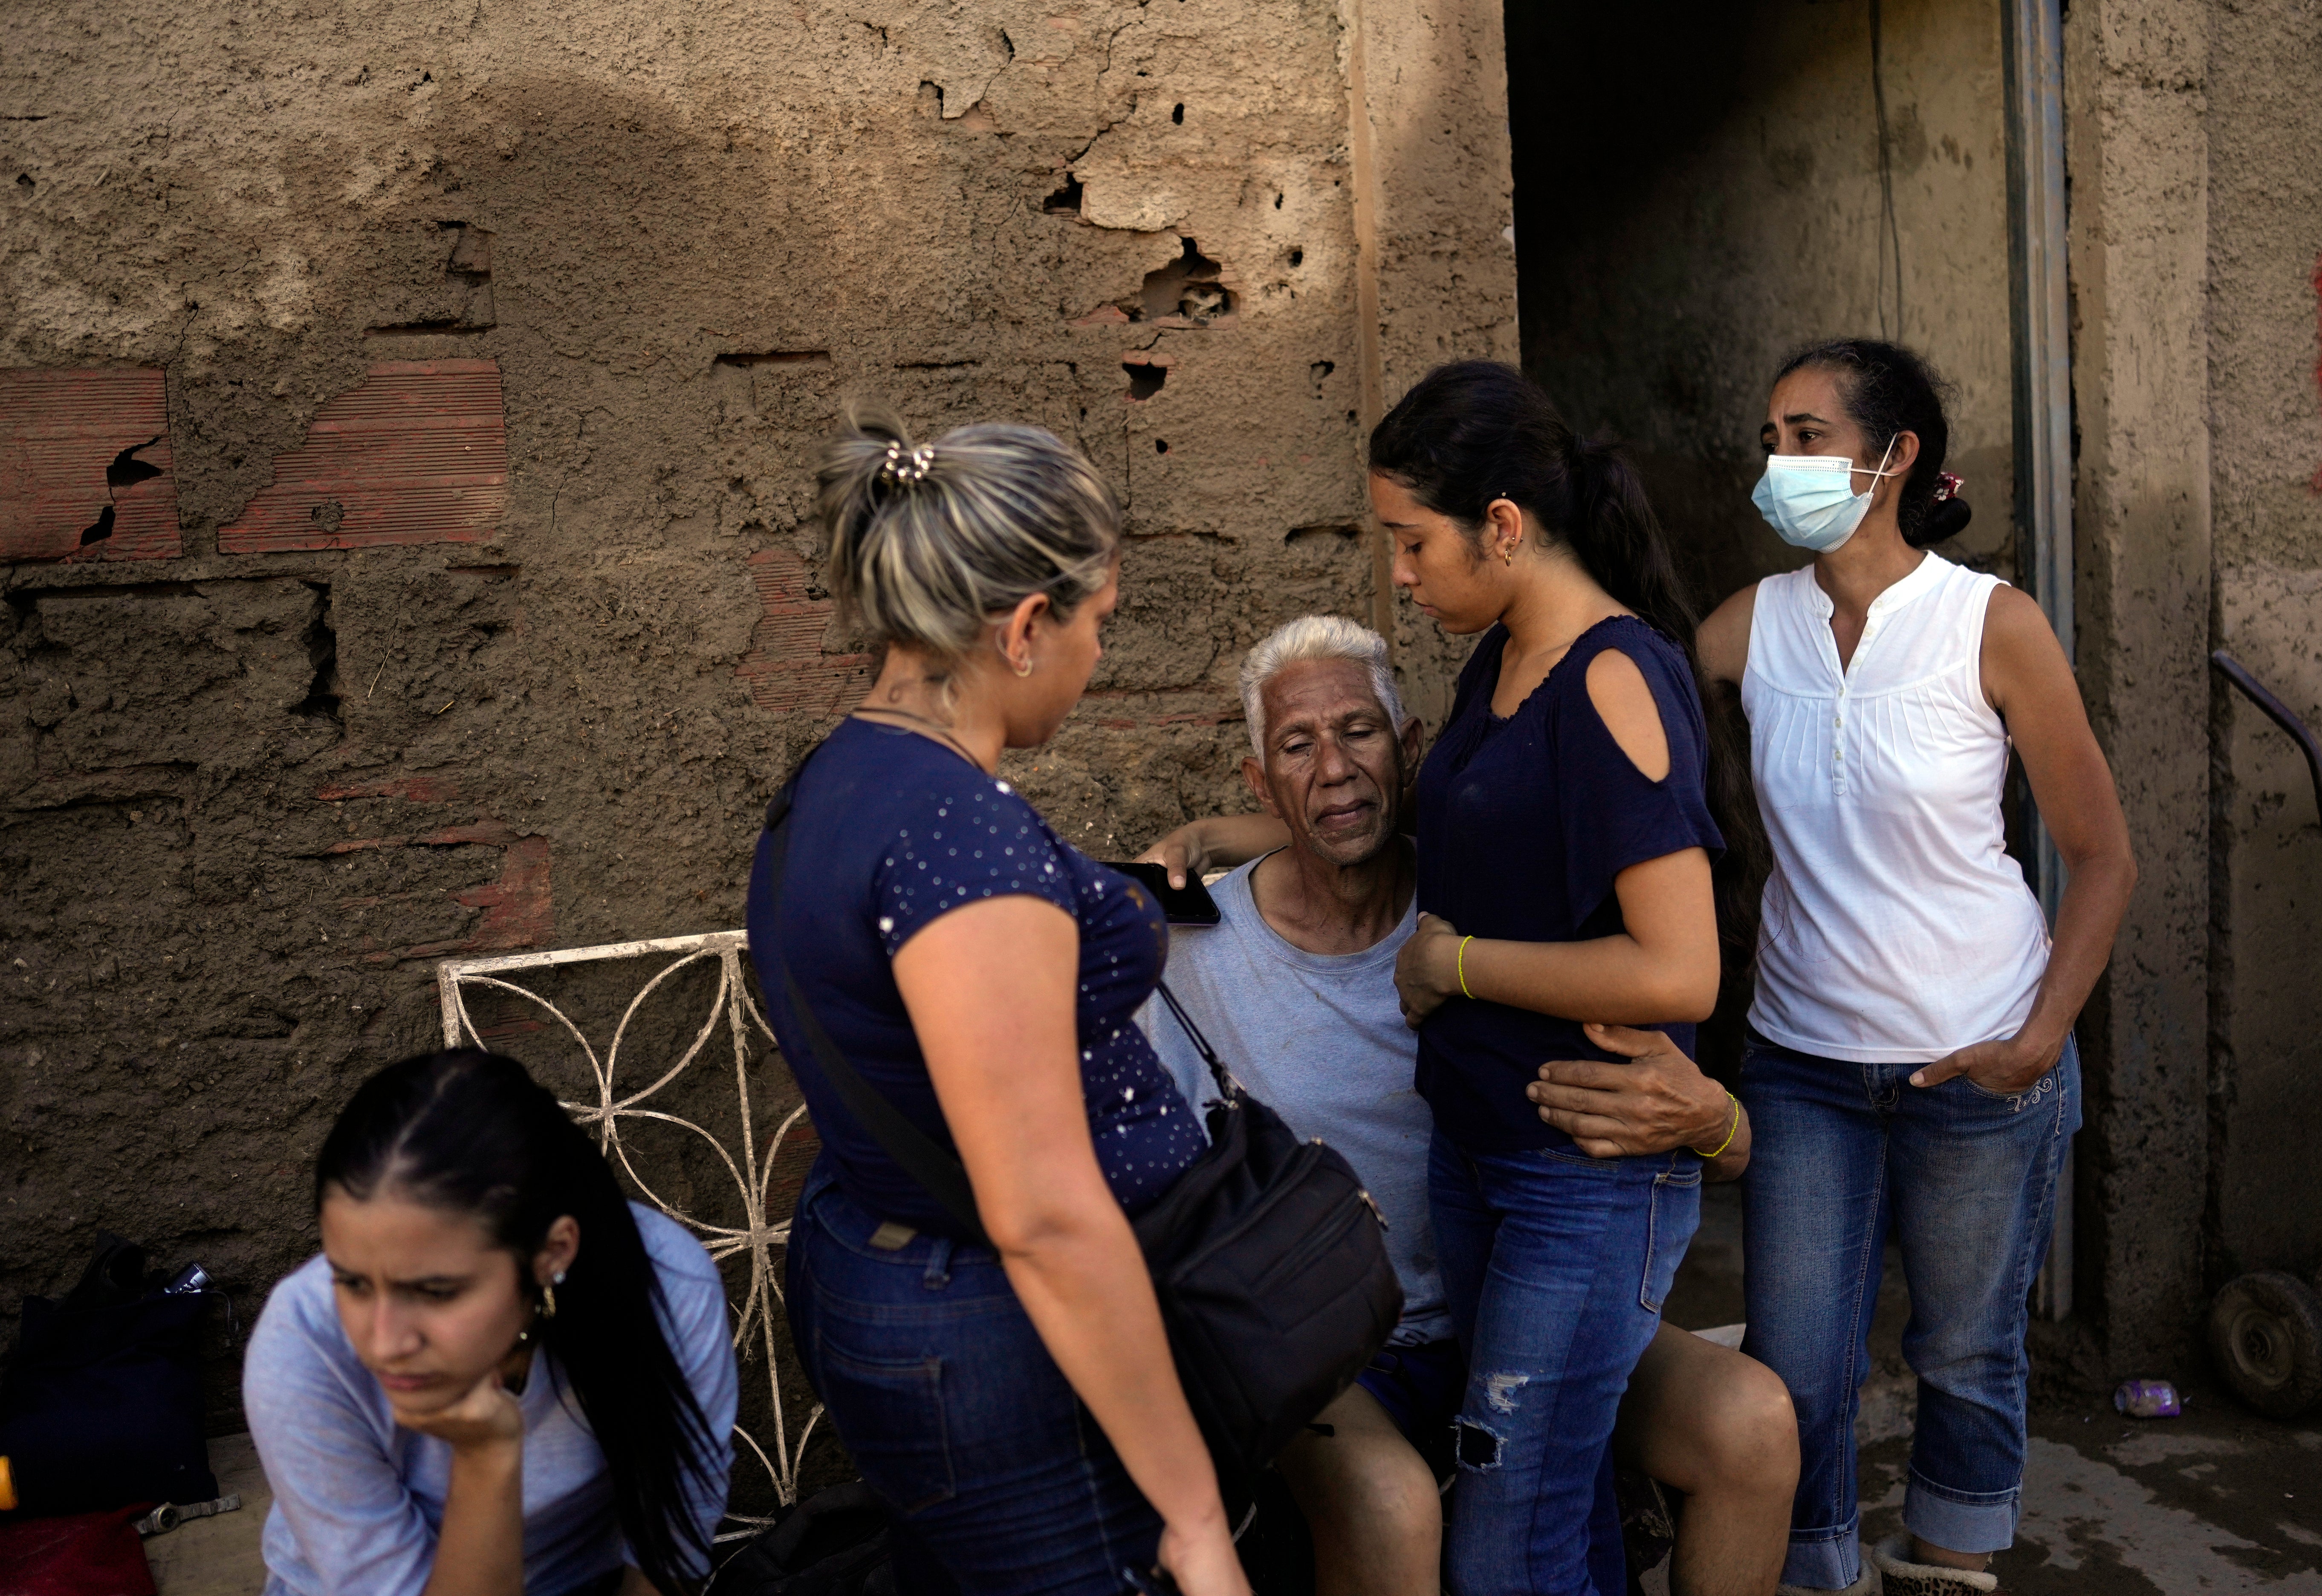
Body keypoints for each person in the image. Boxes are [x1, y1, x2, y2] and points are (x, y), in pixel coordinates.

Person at [1148, 358, 1773, 1596]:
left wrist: (1459, 964)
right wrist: (1250, 830)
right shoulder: (1498, 664)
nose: (1398, 569)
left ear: (1501, 524)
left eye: (1411, 539)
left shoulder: (1611, 673)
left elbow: (1681, 967)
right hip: (1488, 1162)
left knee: (1512, 1535)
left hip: (1573, 1175)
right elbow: (1458, 828)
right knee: (1561, 1504)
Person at [1657, 338, 2131, 1595]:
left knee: (1968, 1354)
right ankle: (1810, 1573)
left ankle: (1948, 1573)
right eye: (1772, 439)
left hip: (1978, 1063)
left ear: (1895, 455)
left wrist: (2038, 1041)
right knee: (1798, 1368)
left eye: (1806, 436)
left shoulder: (1992, 624)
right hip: (1804, 1066)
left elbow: (2102, 857)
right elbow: (1615, 714)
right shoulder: (1754, 625)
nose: (1781, 463)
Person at [744, 409, 1246, 1596]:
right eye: (1099, 626)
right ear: (1025, 628)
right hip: (987, 1329)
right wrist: (1195, 1519)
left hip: (894, 1272)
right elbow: (1046, 1216)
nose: (1098, 659)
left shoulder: (844, 775)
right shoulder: (956, 837)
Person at [242, 1049, 739, 1596]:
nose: (384, 1344)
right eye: (352, 1283)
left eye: (436, 1292)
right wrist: (484, 1457)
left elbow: (669, 1546)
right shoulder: (303, 1346)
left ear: (552, 1253)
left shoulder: (664, 1287)